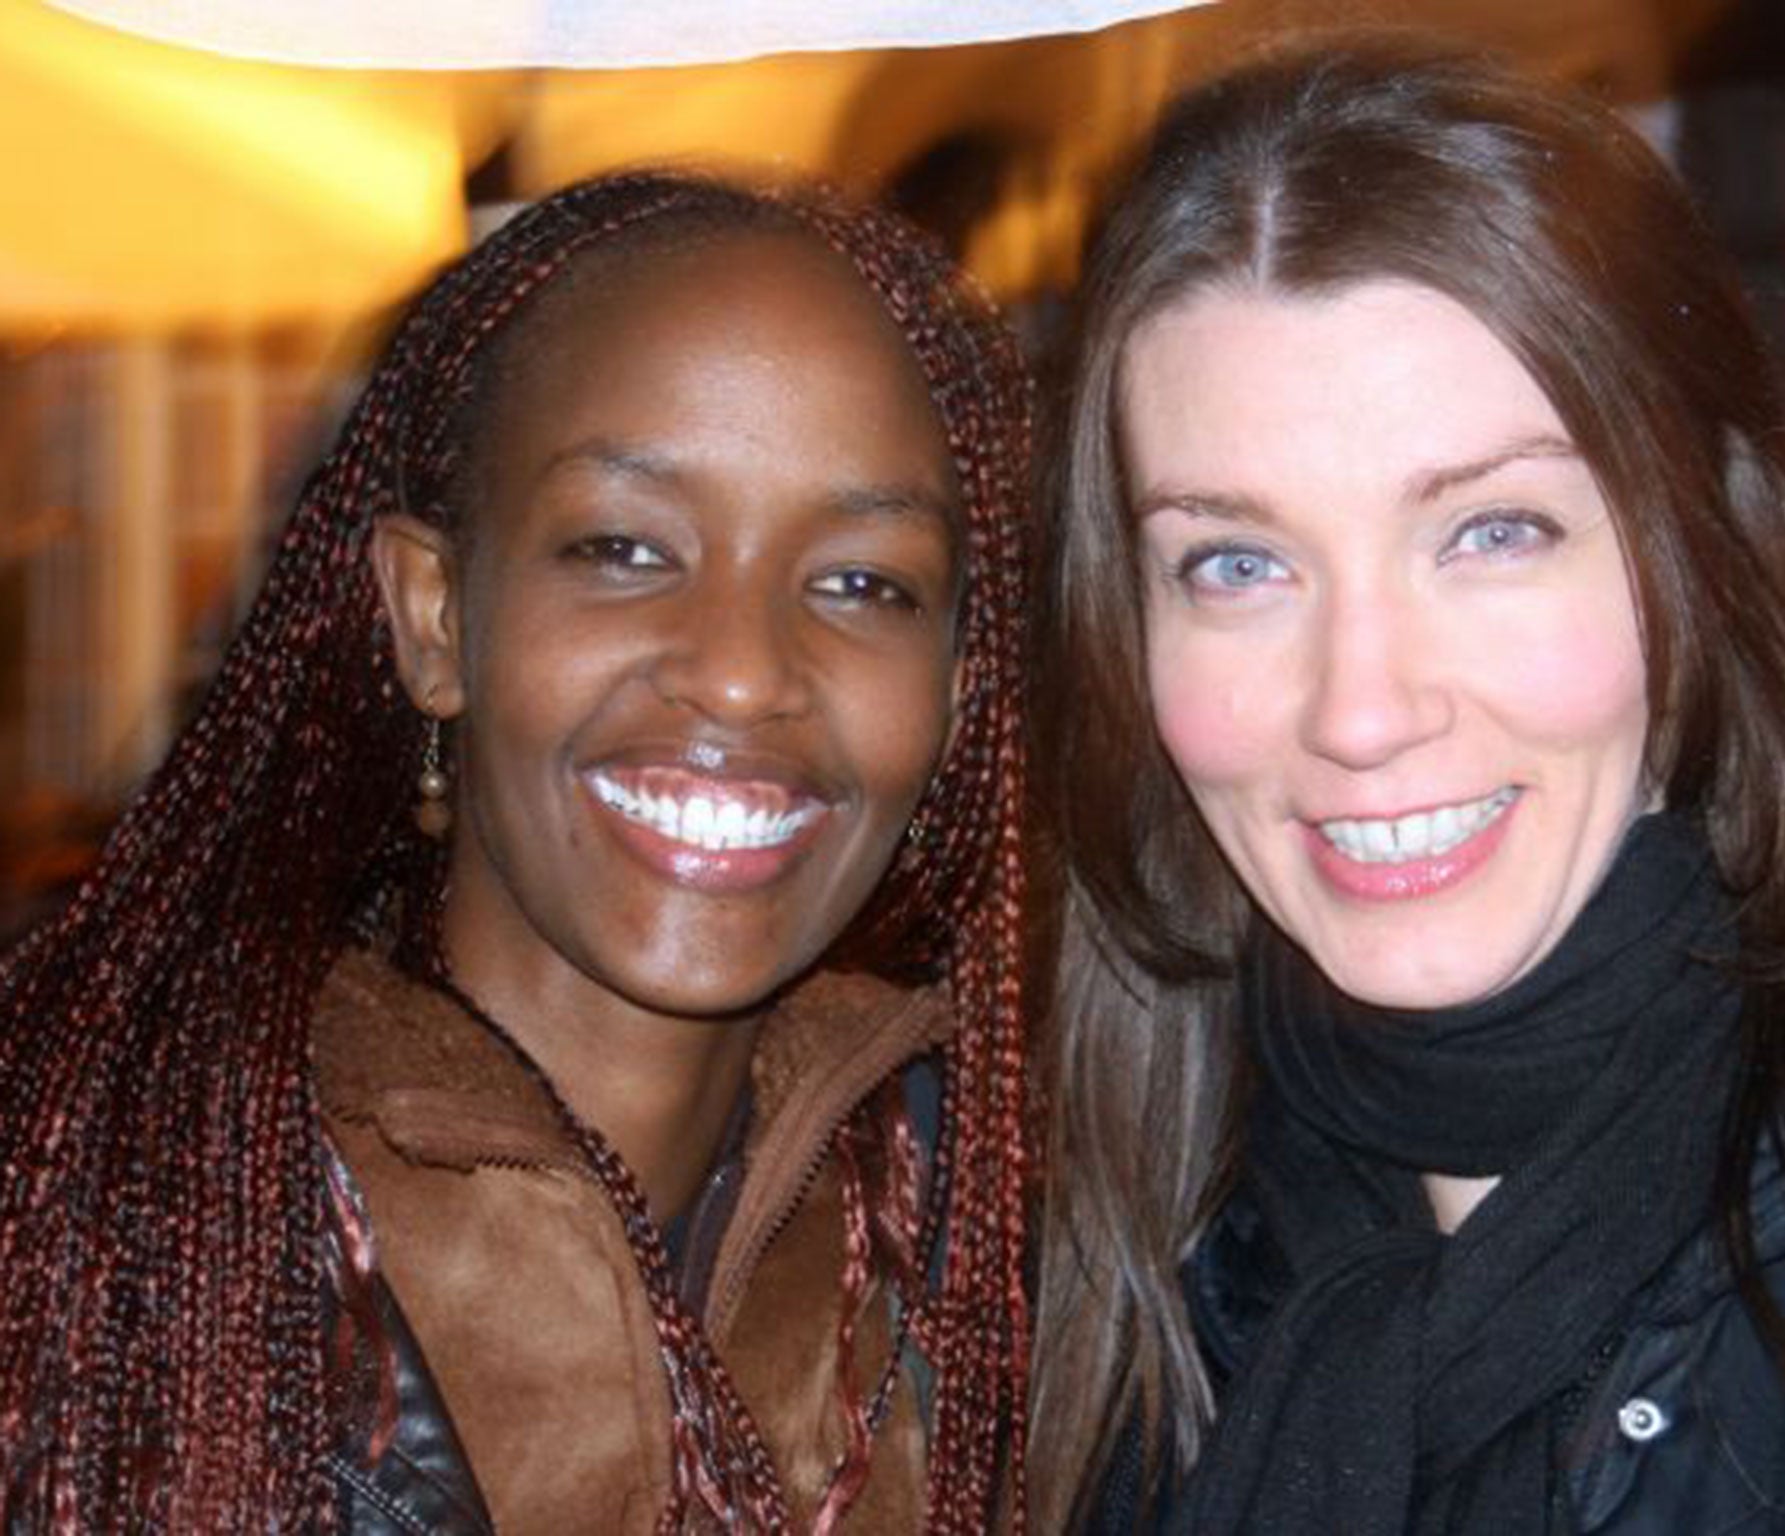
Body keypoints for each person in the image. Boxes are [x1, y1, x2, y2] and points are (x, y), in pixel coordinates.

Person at [1030, 38, 1785, 1534]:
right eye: (1237, 564)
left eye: (1493, 533)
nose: (1362, 710)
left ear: (1704, 550)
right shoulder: (1075, 1236)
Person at [0, 169, 1034, 1533]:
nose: (738, 673)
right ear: (434, 617)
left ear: (957, 694)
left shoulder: (1014, 1256)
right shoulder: (101, 1209)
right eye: (623, 548)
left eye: (862, 582)